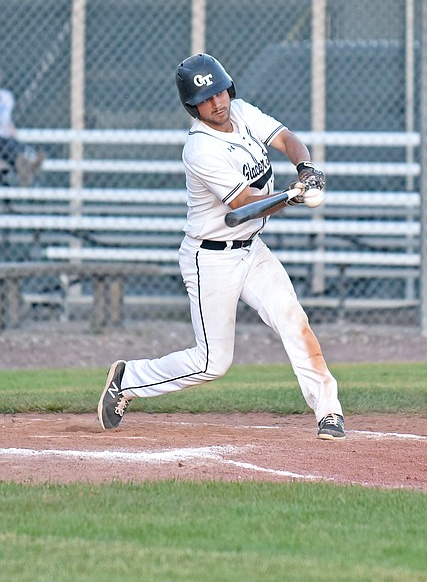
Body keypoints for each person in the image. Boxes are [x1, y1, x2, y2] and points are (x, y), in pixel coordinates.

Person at [97, 53, 345, 440]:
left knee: (293, 319)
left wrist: (305, 170)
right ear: (192, 107)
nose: (217, 103)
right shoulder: (199, 149)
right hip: (210, 259)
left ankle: (329, 411)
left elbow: (286, 139)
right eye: (206, 99)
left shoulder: (242, 112)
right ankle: (129, 379)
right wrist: (292, 198)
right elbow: (244, 204)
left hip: (252, 250)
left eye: (220, 92)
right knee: (212, 362)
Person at [0, 84, 45, 187]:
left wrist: (9, 127)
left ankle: (25, 166)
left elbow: (7, 120)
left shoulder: (6, 96)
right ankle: (27, 168)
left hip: (6, 140)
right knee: (11, 150)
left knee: (10, 146)